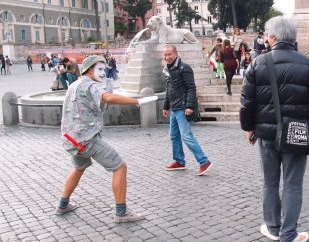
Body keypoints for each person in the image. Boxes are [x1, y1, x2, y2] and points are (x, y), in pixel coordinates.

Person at [239, 16, 309, 242]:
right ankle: (289, 234)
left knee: (270, 182)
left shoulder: (258, 63)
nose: (266, 38)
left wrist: (249, 128)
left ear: (274, 37)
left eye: (267, 34)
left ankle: (273, 227)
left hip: (268, 134)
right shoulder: (307, 64)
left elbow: (247, 102)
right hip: (297, 134)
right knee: (292, 184)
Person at [55, 55, 151, 223]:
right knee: (120, 167)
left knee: (79, 168)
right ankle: (121, 213)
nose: (103, 73)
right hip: (86, 139)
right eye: (99, 69)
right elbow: (108, 98)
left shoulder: (76, 84)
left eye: (104, 69)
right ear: (89, 70)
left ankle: (63, 205)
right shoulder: (90, 85)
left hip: (71, 138)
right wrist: (135, 102)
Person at [162, 45, 212, 176]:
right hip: (174, 108)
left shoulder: (184, 68)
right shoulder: (168, 69)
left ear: (175, 54)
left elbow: (191, 88)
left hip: (183, 108)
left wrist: (189, 106)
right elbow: (169, 89)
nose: (167, 57)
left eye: (169, 54)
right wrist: (166, 106)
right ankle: (179, 161)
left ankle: (204, 161)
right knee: (174, 136)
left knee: (186, 136)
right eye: (165, 55)